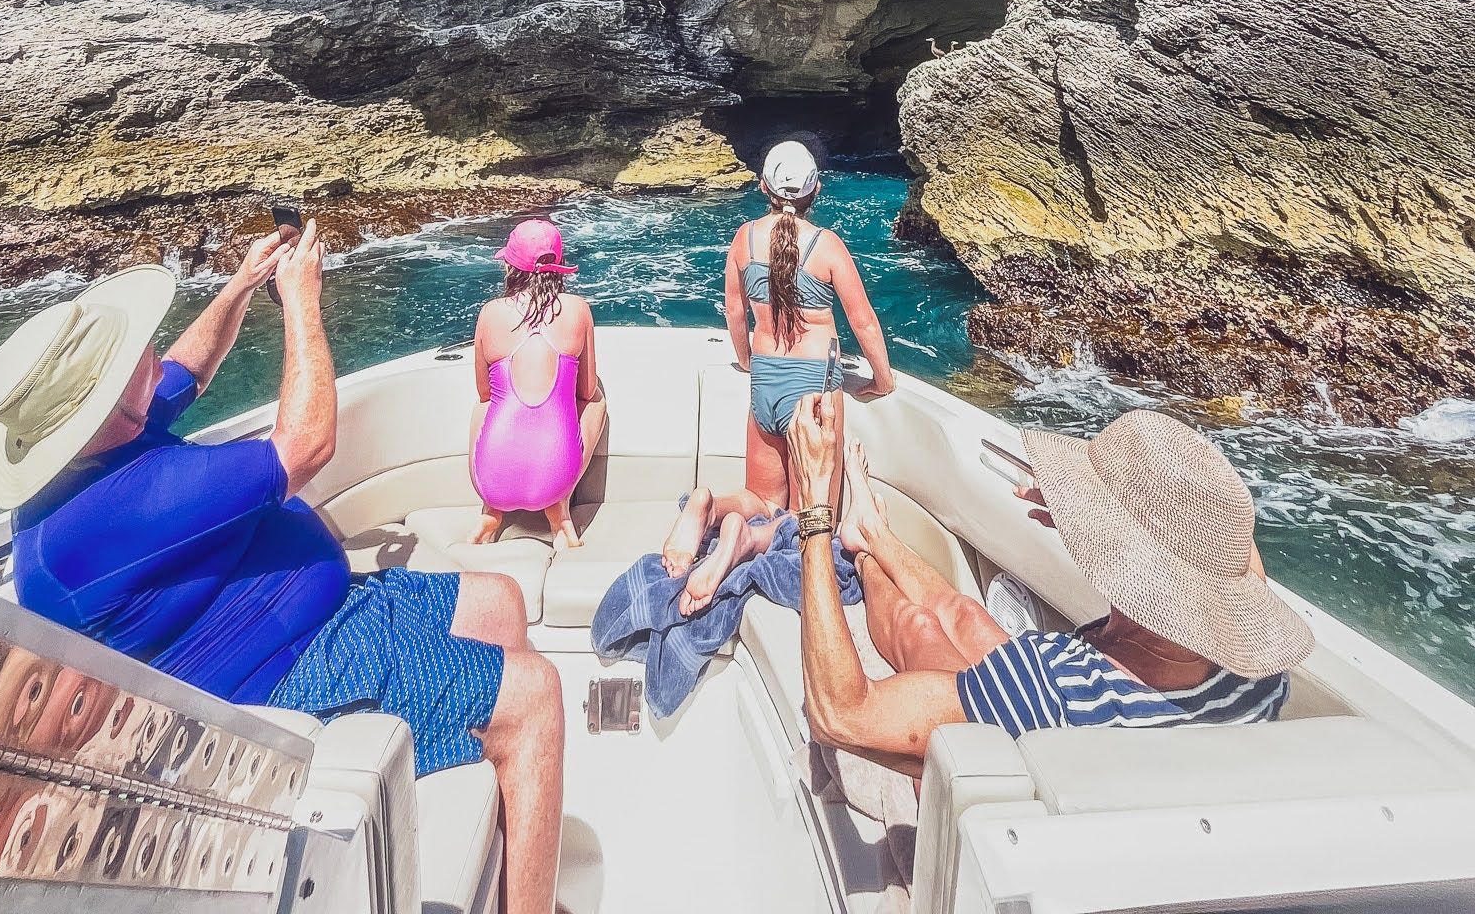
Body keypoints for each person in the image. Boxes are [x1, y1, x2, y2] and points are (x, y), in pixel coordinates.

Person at [0, 219, 564, 914]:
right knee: (536, 694)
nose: (153, 348)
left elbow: (188, 369)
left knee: (500, 600)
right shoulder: (112, 512)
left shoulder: (99, 438)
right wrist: (302, 299)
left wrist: (242, 284)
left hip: (327, 615)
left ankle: (509, 859)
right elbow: (305, 443)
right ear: (100, 403)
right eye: (134, 352)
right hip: (284, 681)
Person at [785, 395, 1314, 779]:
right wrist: (1093, 521)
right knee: (965, 617)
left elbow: (841, 714)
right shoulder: (1260, 680)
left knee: (919, 627)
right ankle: (873, 532)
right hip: (1114, 775)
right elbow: (1234, 558)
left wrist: (813, 502)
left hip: (1032, 763)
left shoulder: (1060, 681)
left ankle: (859, 549)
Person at [660, 140, 894, 616]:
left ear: (763, 186)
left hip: (764, 381)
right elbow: (864, 322)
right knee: (812, 521)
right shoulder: (825, 245)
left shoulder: (744, 239)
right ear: (816, 191)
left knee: (759, 498)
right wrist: (882, 381)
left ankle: (708, 503)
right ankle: (742, 544)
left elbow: (734, 312)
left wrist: (749, 362)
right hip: (814, 392)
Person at [470, 218, 606, 549]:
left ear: (511, 267)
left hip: (488, 480)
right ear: (558, 267)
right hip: (555, 479)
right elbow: (586, 392)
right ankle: (559, 509)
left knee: (485, 405)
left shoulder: (490, 313)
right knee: (598, 398)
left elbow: (484, 394)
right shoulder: (577, 310)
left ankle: (492, 510)